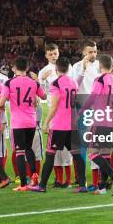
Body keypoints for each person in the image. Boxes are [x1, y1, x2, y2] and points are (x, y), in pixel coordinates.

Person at [30, 57, 88, 193]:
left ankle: (42, 185)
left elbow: (54, 106)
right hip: (72, 125)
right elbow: (78, 82)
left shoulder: (56, 84)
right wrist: (83, 70)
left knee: (50, 154)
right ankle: (82, 185)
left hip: (59, 126)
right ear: (68, 69)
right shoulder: (73, 83)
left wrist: (46, 122)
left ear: (56, 70)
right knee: (77, 156)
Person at [0, 57, 47, 191]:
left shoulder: (9, 83)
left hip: (18, 122)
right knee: (29, 149)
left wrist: (0, 106)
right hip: (31, 121)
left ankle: (23, 184)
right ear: (27, 68)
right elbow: (44, 96)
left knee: (19, 151)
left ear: (14, 68)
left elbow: (1, 102)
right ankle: (34, 176)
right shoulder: (33, 83)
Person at [38, 43, 74, 188]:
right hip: (54, 113)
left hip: (65, 113)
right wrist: (41, 81)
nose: (54, 56)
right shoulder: (43, 72)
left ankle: (68, 180)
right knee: (56, 151)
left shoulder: (67, 67)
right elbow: (43, 96)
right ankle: (58, 180)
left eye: (55, 53)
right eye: (51, 54)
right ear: (46, 55)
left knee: (65, 151)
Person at [69, 39, 99, 191]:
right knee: (80, 146)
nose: (93, 54)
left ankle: (96, 182)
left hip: (96, 109)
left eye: (95, 51)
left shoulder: (100, 66)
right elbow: (73, 87)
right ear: (83, 52)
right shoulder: (76, 67)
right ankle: (82, 181)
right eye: (90, 52)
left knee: (95, 145)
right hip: (80, 109)